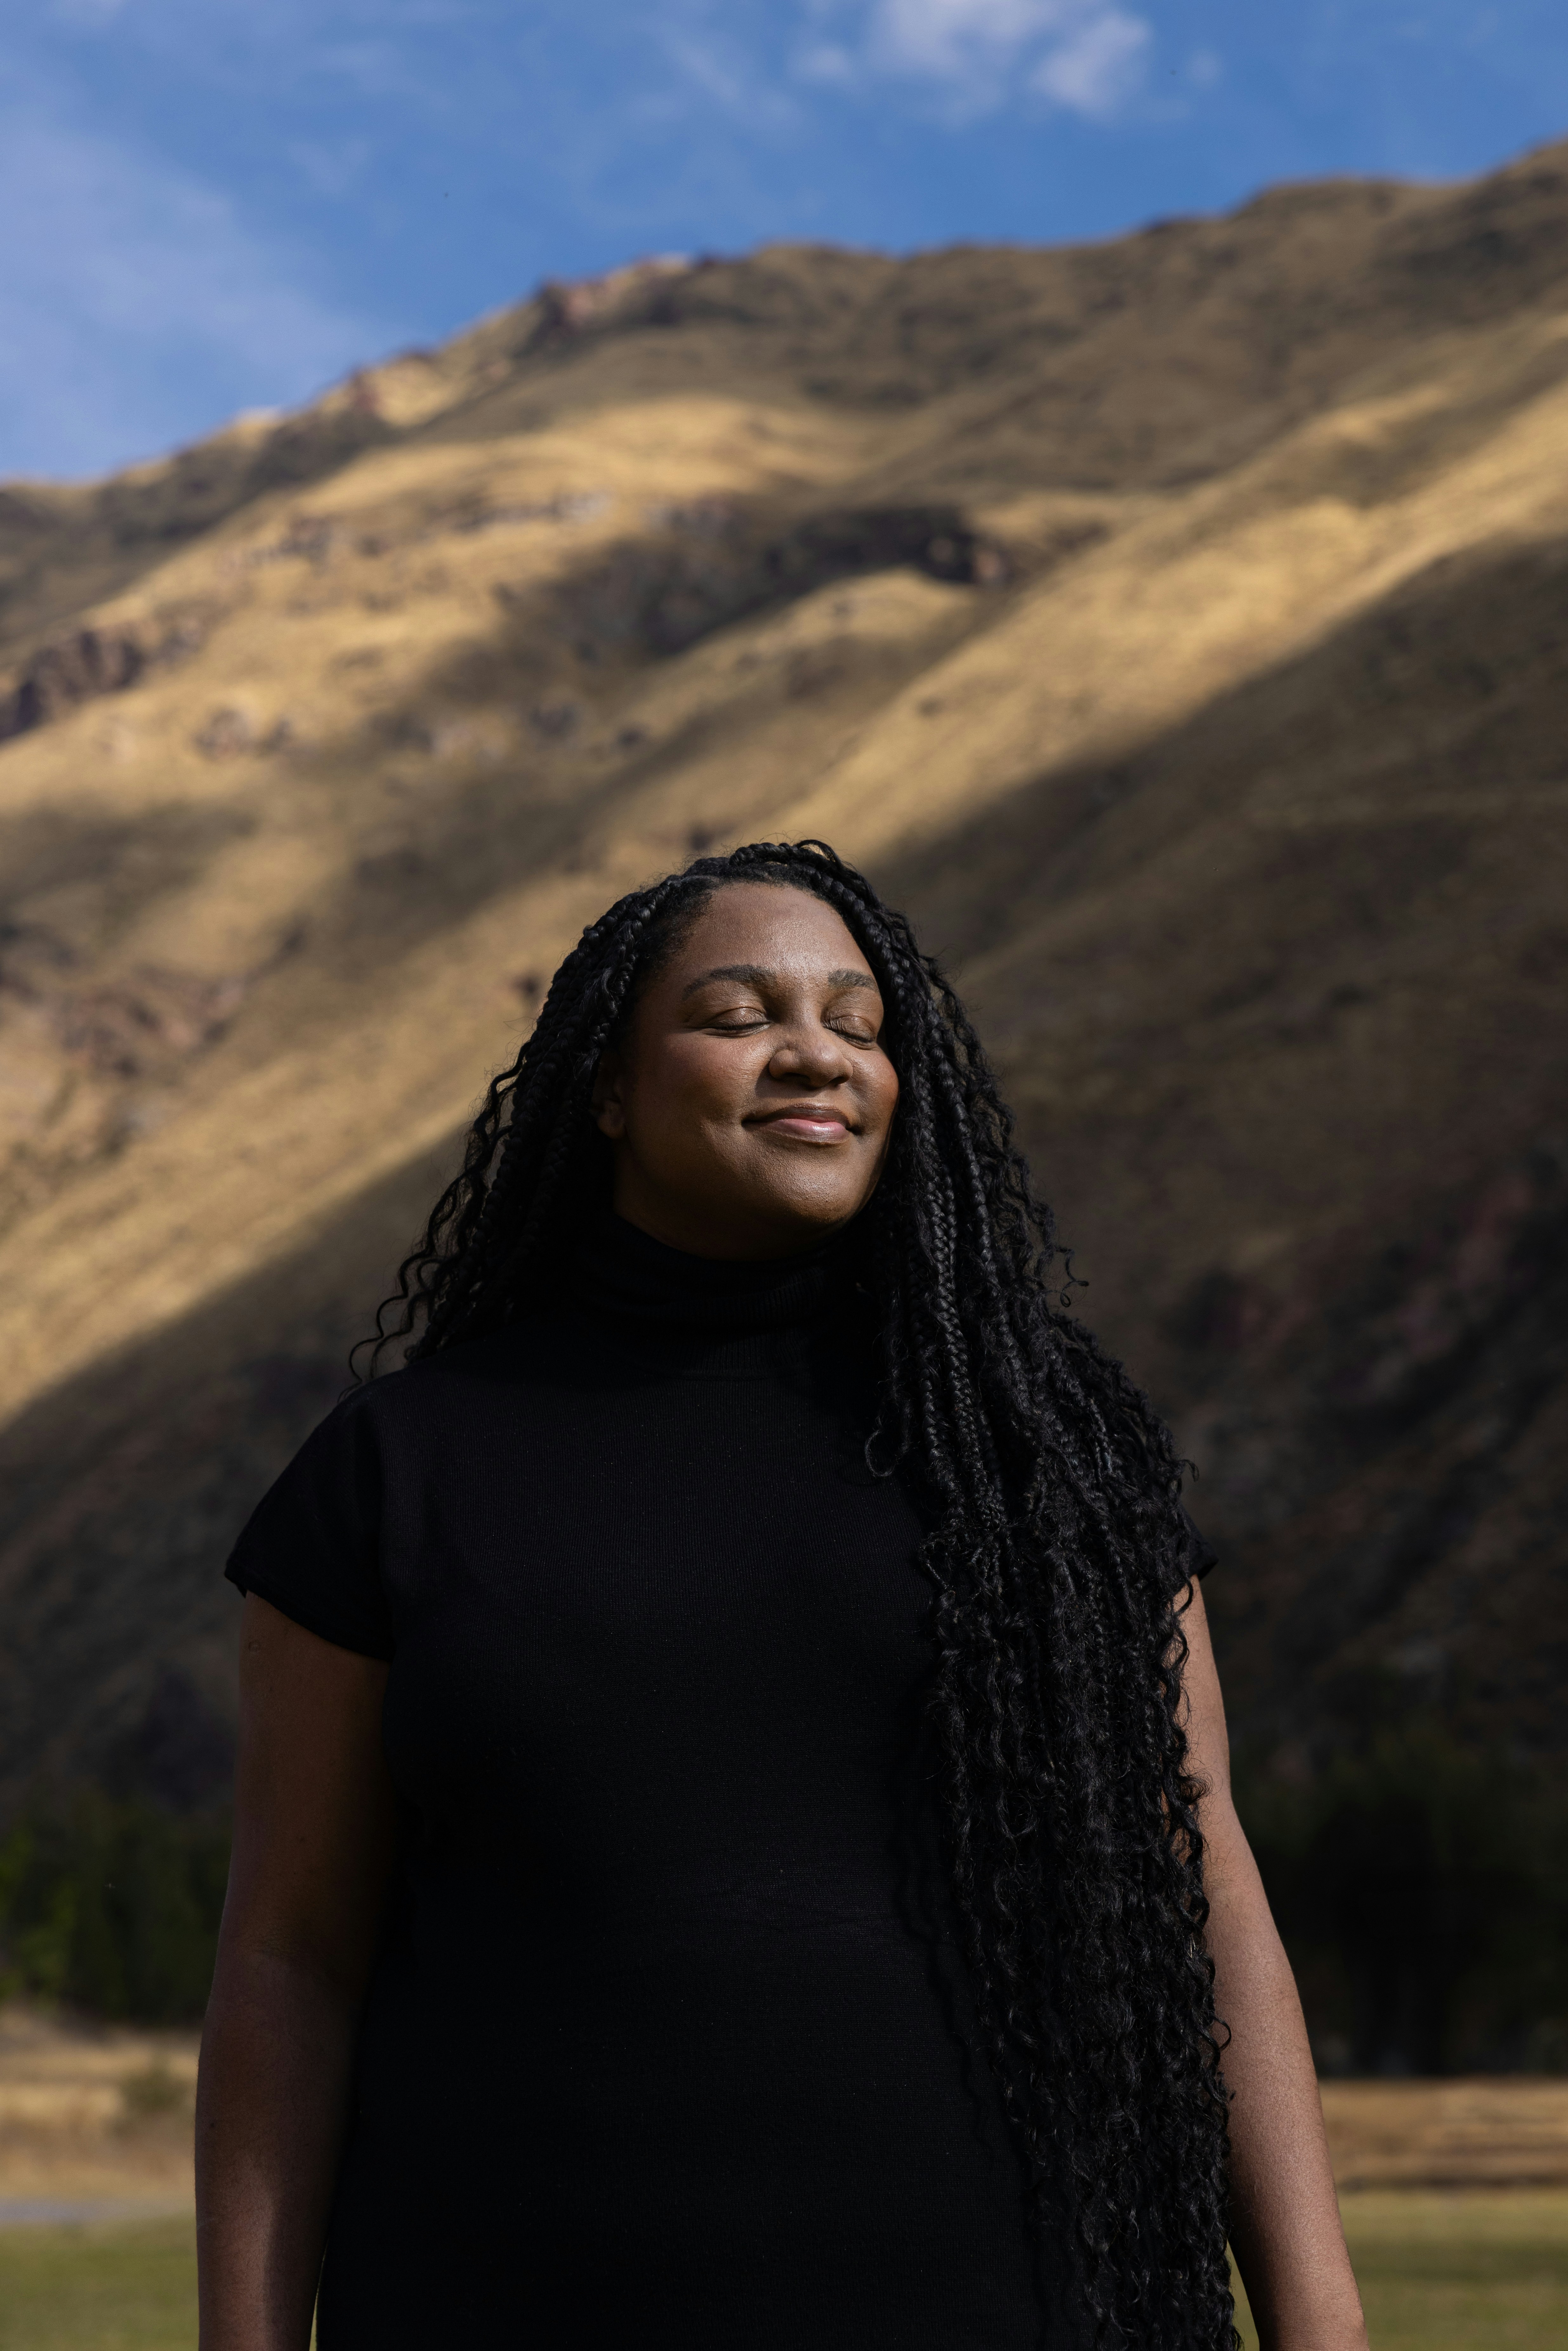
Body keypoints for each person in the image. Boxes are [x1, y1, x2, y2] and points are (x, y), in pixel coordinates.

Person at [196, 840, 1367, 2351]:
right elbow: (291, 1956)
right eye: (740, 1012)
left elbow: (1203, 1890)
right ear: (605, 1088)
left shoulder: (1044, 1448)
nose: (816, 1048)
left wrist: (1320, 2324)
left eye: (859, 1020)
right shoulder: (397, 1470)